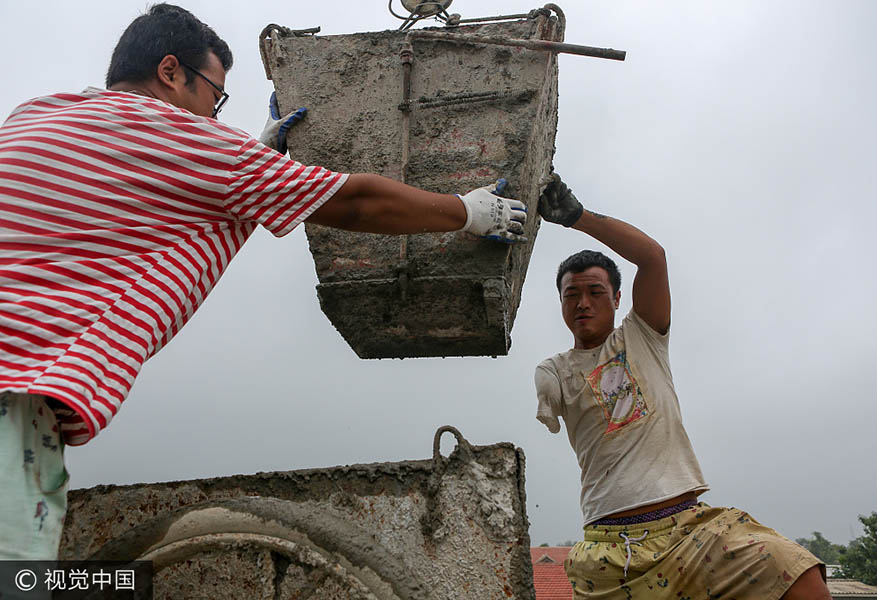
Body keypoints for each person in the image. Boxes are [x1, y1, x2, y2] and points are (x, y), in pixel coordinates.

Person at [0, 3, 527, 560]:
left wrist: (252, 161)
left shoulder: (34, 116)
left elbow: (132, 207)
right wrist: (467, 212)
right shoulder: (184, 141)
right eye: (214, 94)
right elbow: (355, 200)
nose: (212, 116)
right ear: (171, 71)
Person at [534, 173, 830, 599]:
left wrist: (578, 217)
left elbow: (653, 257)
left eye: (595, 291)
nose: (582, 303)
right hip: (611, 548)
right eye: (570, 294)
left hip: (690, 532)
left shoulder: (643, 336)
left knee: (800, 578)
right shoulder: (554, 370)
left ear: (618, 299)